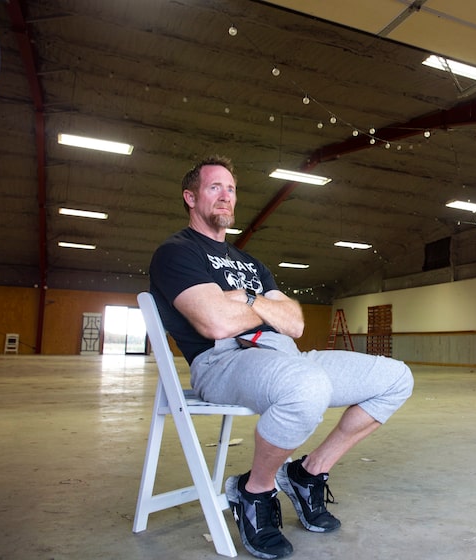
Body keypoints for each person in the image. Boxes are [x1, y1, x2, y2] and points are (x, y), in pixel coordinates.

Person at [149, 155, 414, 559]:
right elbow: (216, 324)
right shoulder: (177, 252)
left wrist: (246, 297)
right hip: (223, 361)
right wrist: (260, 308)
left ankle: (307, 473)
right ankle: (254, 491)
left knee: (396, 378)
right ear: (190, 197)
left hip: (287, 354)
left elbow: (294, 323)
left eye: (231, 189)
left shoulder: (250, 263)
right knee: (307, 387)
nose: (225, 196)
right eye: (214, 187)